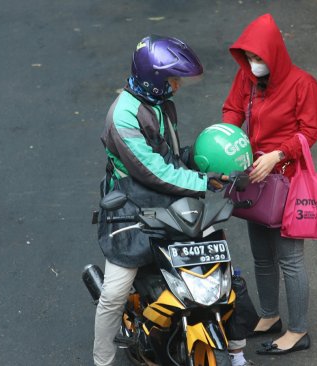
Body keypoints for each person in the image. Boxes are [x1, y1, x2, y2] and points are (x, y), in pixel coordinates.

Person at [94, 35, 251, 366]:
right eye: (172, 79)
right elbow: (153, 172)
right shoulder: (122, 117)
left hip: (171, 203)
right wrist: (201, 180)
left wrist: (197, 160)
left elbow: (167, 158)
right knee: (113, 293)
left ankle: (237, 351)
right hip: (131, 207)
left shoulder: (159, 103)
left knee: (220, 274)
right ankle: (103, 359)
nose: (177, 86)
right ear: (154, 79)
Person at [222, 13, 317, 355]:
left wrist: (277, 154)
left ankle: (297, 330)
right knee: (261, 255)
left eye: (259, 58)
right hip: (253, 180)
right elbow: (232, 110)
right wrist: (229, 141)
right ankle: (269, 316)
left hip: (286, 182)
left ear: (275, 54)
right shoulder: (246, 78)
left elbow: (309, 132)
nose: (254, 64)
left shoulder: (302, 84)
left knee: (290, 258)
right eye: (249, 57)